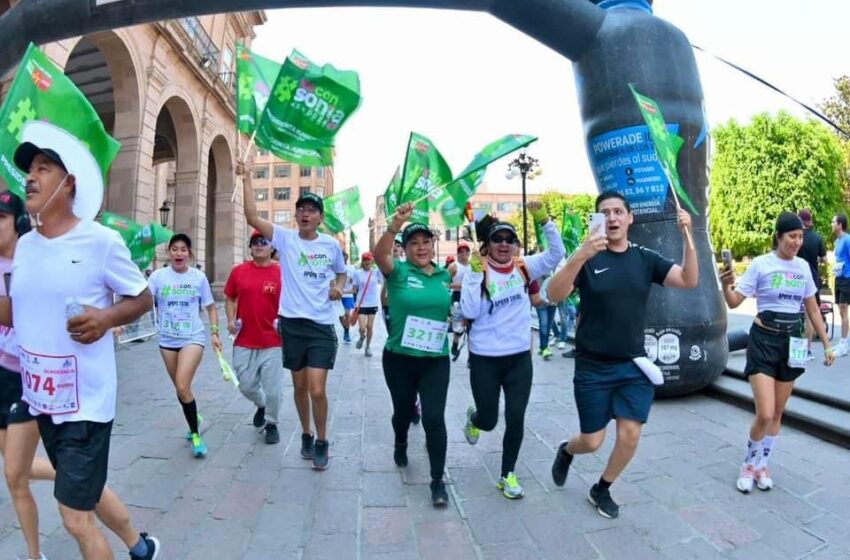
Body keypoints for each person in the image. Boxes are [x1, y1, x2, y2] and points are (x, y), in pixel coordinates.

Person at [0, 121, 160, 559]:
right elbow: (17, 312)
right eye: (29, 169)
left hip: (85, 403)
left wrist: (106, 317)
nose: (30, 177)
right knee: (82, 499)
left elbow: (143, 296)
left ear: (68, 184)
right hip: (41, 400)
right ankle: (141, 547)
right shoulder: (28, 246)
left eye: (44, 167)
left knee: (74, 517)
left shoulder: (100, 242)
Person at [546, 191, 698, 519]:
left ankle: (601, 488)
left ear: (630, 218)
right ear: (597, 220)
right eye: (605, 213)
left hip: (633, 365)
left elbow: (688, 279)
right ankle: (567, 450)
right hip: (592, 366)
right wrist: (580, 255)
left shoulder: (645, 259)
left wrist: (689, 234)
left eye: (618, 212)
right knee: (592, 441)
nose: (613, 218)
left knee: (630, 434)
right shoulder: (588, 258)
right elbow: (552, 293)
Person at [240, 161, 346, 470]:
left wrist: (338, 287)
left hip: (321, 326)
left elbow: (340, 274)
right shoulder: (285, 239)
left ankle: (323, 440)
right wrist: (246, 178)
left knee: (317, 388)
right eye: (301, 209)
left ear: (320, 217)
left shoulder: (330, 245)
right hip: (292, 325)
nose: (304, 213)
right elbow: (251, 216)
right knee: (299, 387)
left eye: (311, 210)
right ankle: (306, 434)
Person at [720, 212, 835, 493]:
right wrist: (726, 284)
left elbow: (811, 307)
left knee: (779, 411)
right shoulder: (761, 264)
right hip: (763, 340)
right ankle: (748, 463)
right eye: (792, 237)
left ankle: (762, 465)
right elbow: (735, 302)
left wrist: (827, 343)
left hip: (792, 342)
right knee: (765, 412)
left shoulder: (803, 268)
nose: (797, 242)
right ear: (779, 237)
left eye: (800, 237)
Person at [460, 202, 565, 499]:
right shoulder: (478, 271)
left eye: (510, 240)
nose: (504, 244)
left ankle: (508, 475)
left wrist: (544, 220)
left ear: (517, 246)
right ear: (488, 245)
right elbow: (469, 310)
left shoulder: (524, 267)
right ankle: (475, 418)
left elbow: (557, 254)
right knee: (490, 420)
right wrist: (474, 274)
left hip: (519, 359)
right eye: (498, 239)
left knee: (516, 417)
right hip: (485, 359)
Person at [375, 203, 452, 507]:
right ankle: (401, 440)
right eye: (413, 243)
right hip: (400, 359)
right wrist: (395, 225)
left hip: (435, 360)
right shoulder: (397, 271)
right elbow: (381, 255)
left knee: (434, 418)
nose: (421, 247)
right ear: (405, 249)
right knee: (403, 412)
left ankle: (437, 480)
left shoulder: (445, 275)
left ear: (433, 245)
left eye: (425, 242)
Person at [148, 233, 221, 457]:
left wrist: (215, 333)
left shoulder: (198, 277)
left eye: (183, 249)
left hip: (192, 338)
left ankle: (195, 434)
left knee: (181, 386)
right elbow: (141, 301)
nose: (179, 253)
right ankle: (193, 415)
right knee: (182, 389)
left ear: (189, 253)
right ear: (169, 253)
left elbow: (210, 307)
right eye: (174, 249)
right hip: (167, 340)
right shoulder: (158, 277)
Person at [224, 229, 284, 445]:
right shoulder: (238, 271)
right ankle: (261, 404)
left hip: (273, 340)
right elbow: (230, 299)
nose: (259, 245)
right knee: (246, 385)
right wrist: (231, 320)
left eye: (264, 241)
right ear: (250, 247)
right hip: (244, 339)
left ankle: (272, 423)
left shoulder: (282, 273)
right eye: (254, 242)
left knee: (274, 389)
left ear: (272, 247)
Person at [796, 209, 828, 359]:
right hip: (812, 279)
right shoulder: (817, 238)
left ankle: (794, 349)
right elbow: (824, 260)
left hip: (794, 277)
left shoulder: (796, 237)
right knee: (810, 315)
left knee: (794, 313)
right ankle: (807, 349)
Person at [352, 252, 380, 357]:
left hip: (373, 303)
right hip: (361, 303)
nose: (367, 262)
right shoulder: (357, 273)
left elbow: (385, 280)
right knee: (362, 328)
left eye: (368, 260)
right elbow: (354, 289)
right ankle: (362, 336)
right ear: (362, 262)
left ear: (371, 261)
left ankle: (368, 347)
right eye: (365, 260)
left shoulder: (376, 272)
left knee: (370, 326)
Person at [448, 241, 471, 360]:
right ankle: (455, 344)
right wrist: (461, 285)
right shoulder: (453, 266)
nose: (464, 254)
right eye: (461, 252)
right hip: (457, 297)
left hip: (470, 297)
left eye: (466, 251)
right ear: (457, 254)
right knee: (458, 327)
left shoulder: (473, 266)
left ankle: (471, 357)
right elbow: (445, 283)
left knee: (472, 328)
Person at [832, 213, 850, 357]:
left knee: (844, 309)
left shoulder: (847, 239)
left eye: (833, 222)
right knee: (840, 310)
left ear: (840, 224)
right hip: (838, 278)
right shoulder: (836, 242)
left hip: (847, 279)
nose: (831, 224)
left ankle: (844, 344)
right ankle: (843, 341)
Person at [339, 252, 356, 343]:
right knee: (340, 315)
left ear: (346, 258)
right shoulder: (335, 267)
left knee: (347, 314)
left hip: (348, 295)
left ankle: (347, 332)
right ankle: (345, 329)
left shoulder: (352, 268)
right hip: (338, 295)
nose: (343, 259)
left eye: (344, 257)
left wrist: (353, 280)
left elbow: (355, 280)